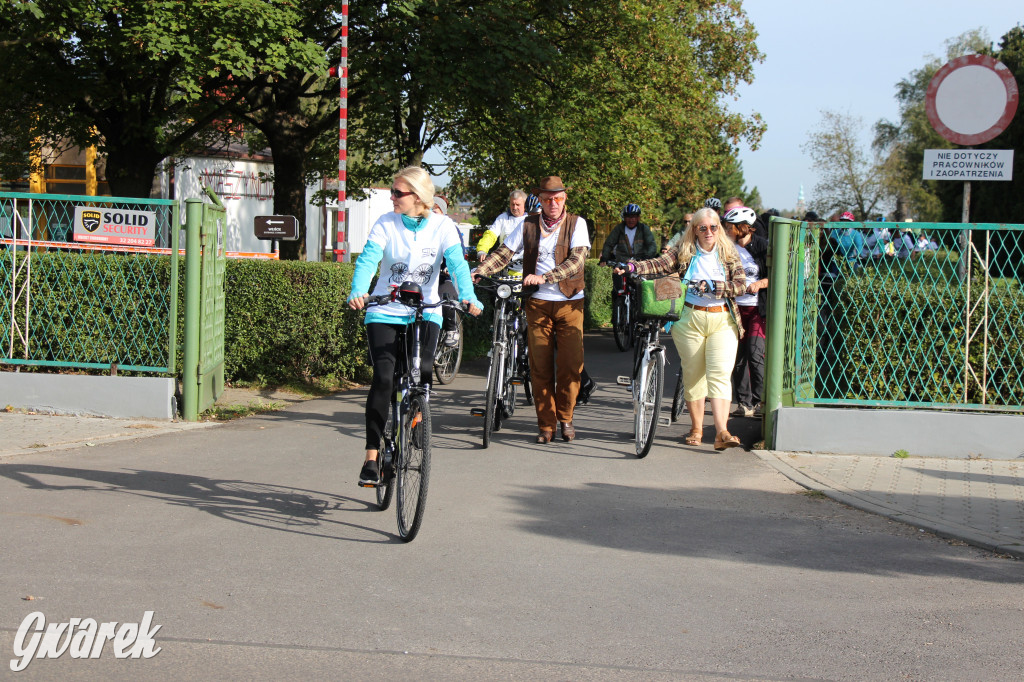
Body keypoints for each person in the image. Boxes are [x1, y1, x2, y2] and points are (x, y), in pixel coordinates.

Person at [348, 166, 483, 486]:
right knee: (383, 378)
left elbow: (458, 264)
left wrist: (468, 296)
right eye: (392, 192)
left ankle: (417, 416)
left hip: (426, 310)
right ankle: (371, 456)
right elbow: (368, 259)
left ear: (419, 197)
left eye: (398, 193)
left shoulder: (443, 226)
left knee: (421, 369)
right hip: (384, 309)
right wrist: (358, 289)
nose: (392, 197)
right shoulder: (386, 222)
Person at [615, 207, 746, 450]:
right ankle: (696, 427)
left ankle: (721, 432)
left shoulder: (729, 253)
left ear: (719, 229)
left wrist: (714, 287)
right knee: (694, 375)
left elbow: (740, 285)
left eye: (713, 227)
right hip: (689, 320)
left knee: (719, 375)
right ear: (694, 230)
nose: (708, 232)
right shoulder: (684, 252)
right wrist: (633, 267)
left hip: (722, 319)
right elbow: (659, 264)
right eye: (702, 228)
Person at [474, 175, 590, 443]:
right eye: (548, 199)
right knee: (540, 366)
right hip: (537, 303)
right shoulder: (528, 224)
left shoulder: (576, 223)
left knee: (571, 366)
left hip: (570, 302)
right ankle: (546, 425)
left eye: (558, 199)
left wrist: (545, 277)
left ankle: (566, 417)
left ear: (564, 200)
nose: (553, 204)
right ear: (540, 200)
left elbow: (576, 261)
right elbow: (504, 252)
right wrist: (480, 271)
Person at [722, 206, 768, 419]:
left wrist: (759, 283)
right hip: (735, 308)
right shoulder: (728, 248)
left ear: (743, 228)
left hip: (757, 309)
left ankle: (760, 402)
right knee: (737, 356)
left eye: (730, 227)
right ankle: (744, 403)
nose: (727, 230)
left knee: (755, 352)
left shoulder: (762, 247)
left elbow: (775, 275)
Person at [599, 203, 658, 320]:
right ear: (624, 217)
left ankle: (644, 314)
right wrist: (604, 257)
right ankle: (617, 313)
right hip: (622, 262)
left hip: (640, 262)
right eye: (629, 216)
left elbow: (652, 245)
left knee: (643, 289)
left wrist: (646, 257)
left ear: (638, 217)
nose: (631, 219)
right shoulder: (619, 229)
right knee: (617, 287)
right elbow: (609, 243)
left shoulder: (644, 229)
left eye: (634, 216)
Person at [432, 196, 465, 348]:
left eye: (435, 209)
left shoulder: (452, 229)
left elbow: (458, 254)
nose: (431, 212)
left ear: (443, 212)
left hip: (446, 277)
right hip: (427, 276)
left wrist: (449, 267)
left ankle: (451, 330)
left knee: (445, 300)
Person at [476, 190, 527, 262]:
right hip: (504, 263)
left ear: (525, 205)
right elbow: (491, 235)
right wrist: (482, 249)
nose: (514, 207)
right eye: (512, 204)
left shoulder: (530, 219)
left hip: (523, 266)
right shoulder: (502, 218)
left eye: (518, 205)